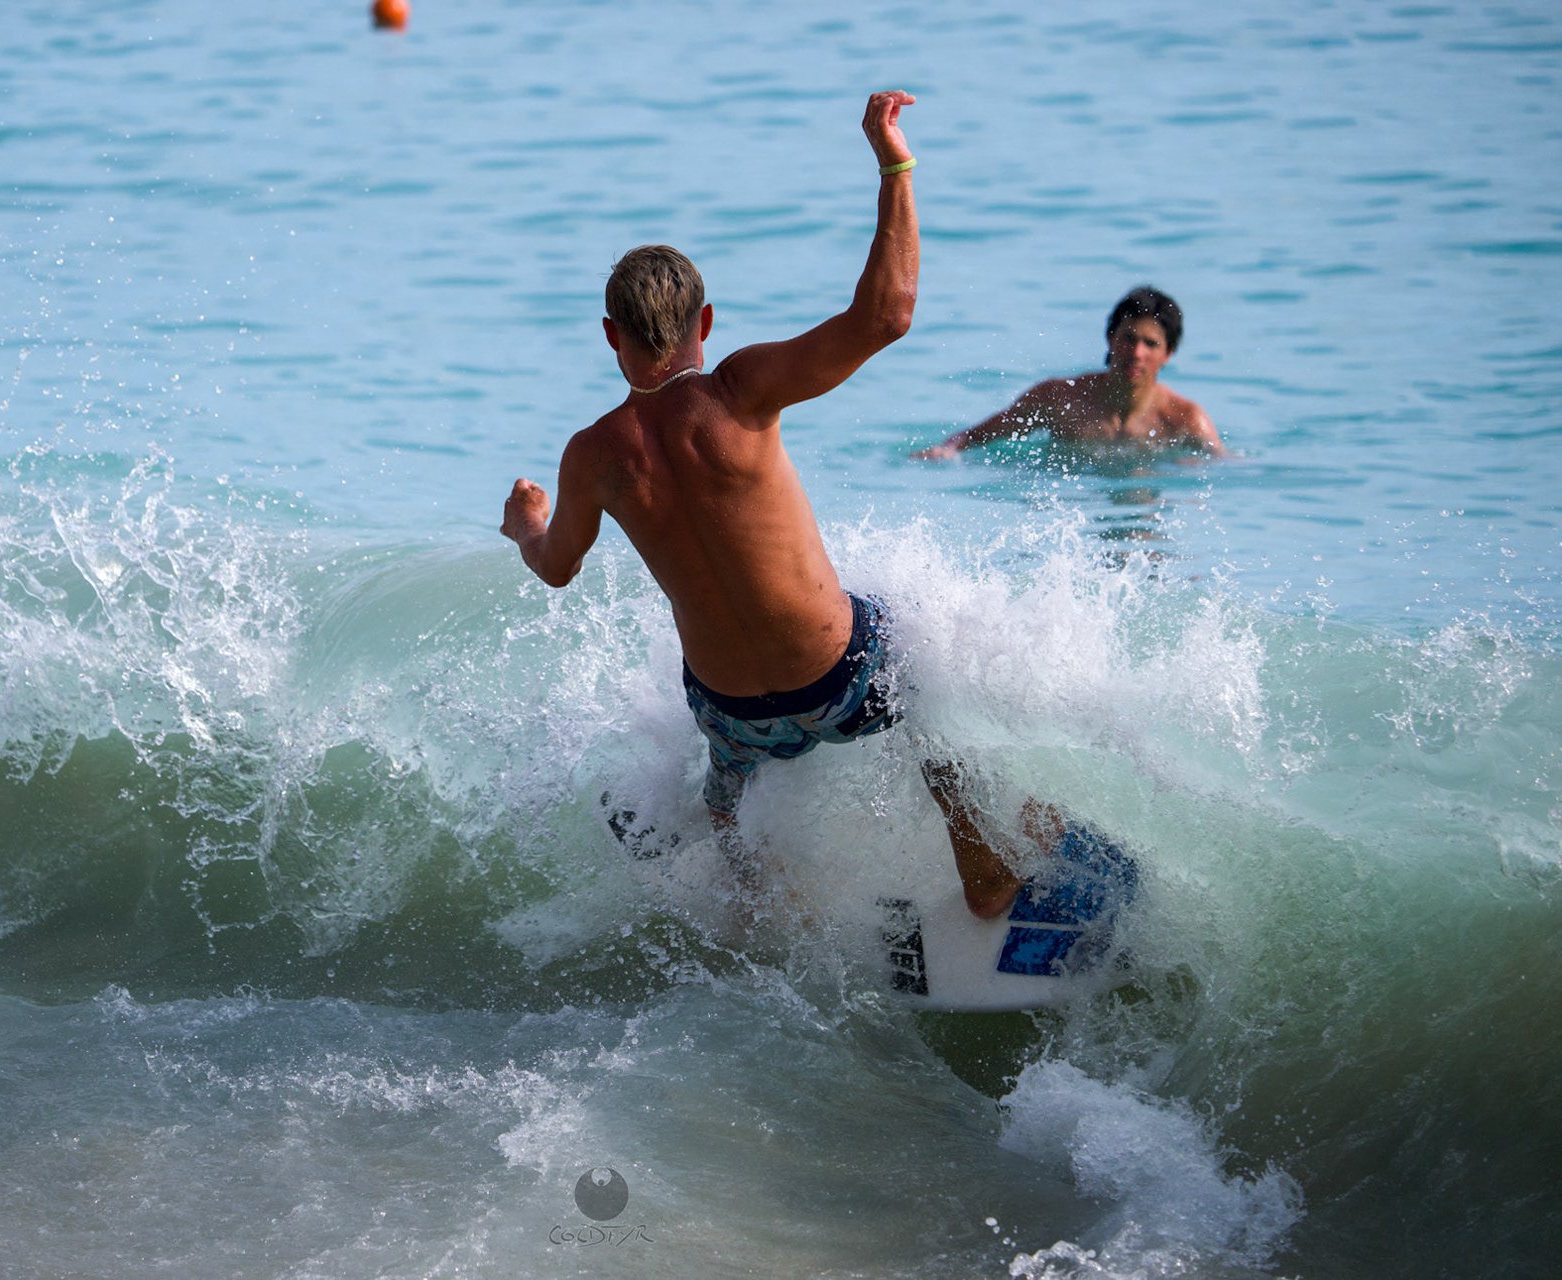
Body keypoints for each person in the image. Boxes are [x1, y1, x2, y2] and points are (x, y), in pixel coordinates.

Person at [498, 91, 1024, 918]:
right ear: (706, 320)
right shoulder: (739, 392)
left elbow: (555, 568)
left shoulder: (592, 455)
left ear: (611, 336)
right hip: (838, 678)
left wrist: (524, 521)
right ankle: (983, 866)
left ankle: (750, 909)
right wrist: (894, 161)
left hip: (736, 714)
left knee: (725, 800)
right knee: (922, 683)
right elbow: (886, 315)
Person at [913, 286, 1224, 460]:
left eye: (1150, 344)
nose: (1137, 352)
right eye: (1128, 338)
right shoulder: (1058, 398)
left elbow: (1224, 466)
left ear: (1168, 354)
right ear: (1110, 339)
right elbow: (973, 435)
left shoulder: (1184, 419)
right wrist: (946, 450)